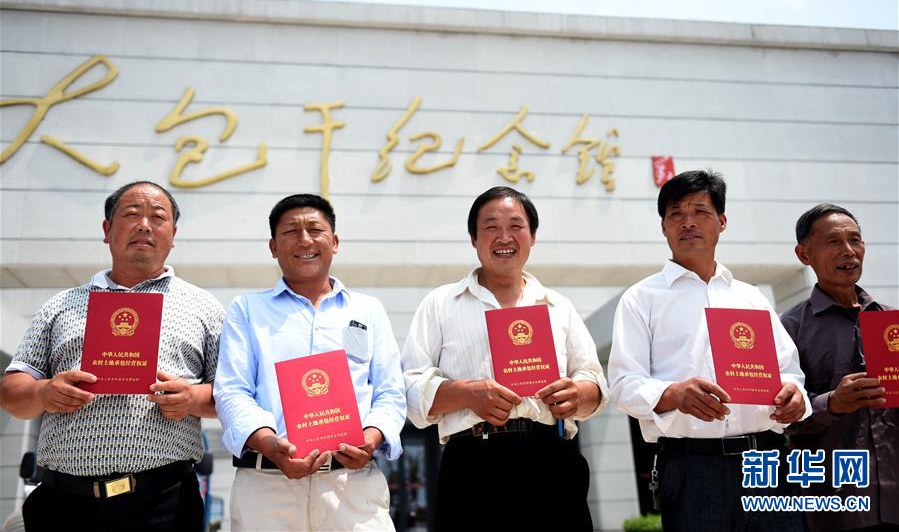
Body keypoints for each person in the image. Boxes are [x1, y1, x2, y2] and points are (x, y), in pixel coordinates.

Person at [0, 181, 223, 531]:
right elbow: (12, 393)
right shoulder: (61, 305)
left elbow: (232, 395)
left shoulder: (205, 308)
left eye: (157, 217)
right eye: (131, 214)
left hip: (163, 502)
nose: (144, 225)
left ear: (173, 234)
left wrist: (192, 398)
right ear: (107, 230)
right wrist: (43, 392)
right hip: (64, 502)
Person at [607, 169, 810, 532]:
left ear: (722, 221)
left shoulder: (750, 297)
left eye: (700, 212)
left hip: (767, 464)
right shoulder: (641, 299)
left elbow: (789, 373)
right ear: (664, 227)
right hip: (692, 468)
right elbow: (623, 384)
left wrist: (796, 398)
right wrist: (671, 393)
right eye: (676, 214)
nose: (688, 223)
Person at [402, 186, 608, 531]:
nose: (504, 237)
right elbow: (410, 388)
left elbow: (594, 379)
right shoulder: (440, 304)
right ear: (473, 238)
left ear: (533, 236)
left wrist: (579, 394)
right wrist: (468, 394)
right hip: (472, 463)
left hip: (552, 459)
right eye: (491, 227)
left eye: (516, 225)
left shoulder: (558, 306)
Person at [213, 193, 405, 531]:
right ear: (273, 246)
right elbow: (232, 391)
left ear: (335, 241)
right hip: (267, 488)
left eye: (315, 229)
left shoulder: (367, 310)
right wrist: (269, 443)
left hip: (352, 487)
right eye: (290, 232)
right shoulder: (247, 310)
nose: (304, 240)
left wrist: (372, 438)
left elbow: (390, 392)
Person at [781, 204, 898, 531]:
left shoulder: (891, 321)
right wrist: (831, 403)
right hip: (836, 502)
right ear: (804, 254)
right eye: (833, 242)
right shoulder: (789, 328)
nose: (849, 251)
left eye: (855, 240)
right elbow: (779, 419)